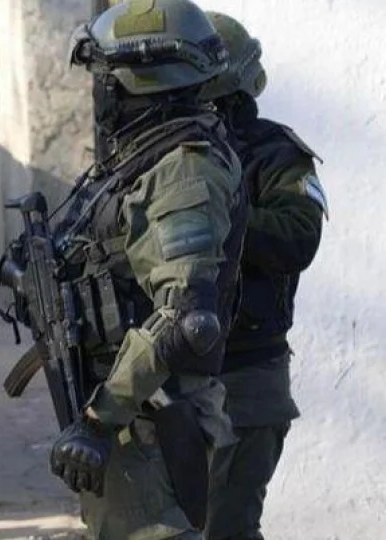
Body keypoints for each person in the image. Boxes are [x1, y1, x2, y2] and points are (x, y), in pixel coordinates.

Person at [37, 1, 249, 538]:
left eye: (106, 78)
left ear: (140, 81)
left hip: (152, 420)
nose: (100, 91)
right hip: (134, 410)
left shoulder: (184, 170)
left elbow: (185, 319)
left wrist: (99, 420)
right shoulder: (146, 155)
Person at [199, 12, 326, 540]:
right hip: (164, 374)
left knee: (225, 528)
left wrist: (212, 218)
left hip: (243, 377)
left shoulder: (275, 152)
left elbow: (299, 236)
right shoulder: (158, 152)